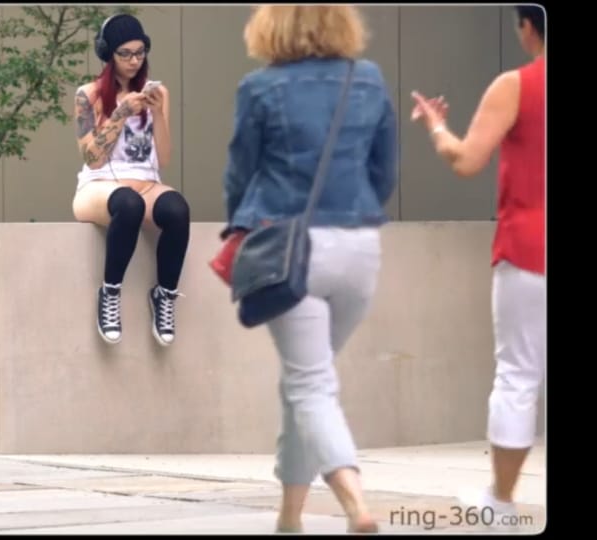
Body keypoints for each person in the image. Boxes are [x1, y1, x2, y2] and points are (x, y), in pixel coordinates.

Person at [223, 5, 397, 533]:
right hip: (360, 246)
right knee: (304, 381)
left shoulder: (259, 87)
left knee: (310, 384)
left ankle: (355, 504)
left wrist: (240, 227)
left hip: (290, 249)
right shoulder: (367, 79)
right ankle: (290, 516)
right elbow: (384, 171)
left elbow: (239, 174)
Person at [409, 5, 545, 525]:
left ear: (528, 28)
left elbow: (467, 159)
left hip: (529, 248)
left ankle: (501, 503)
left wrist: (437, 126)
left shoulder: (516, 86)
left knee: (518, 376)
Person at [72, 13, 191, 347]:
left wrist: (157, 113)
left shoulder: (158, 93)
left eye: (140, 53)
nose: (134, 61)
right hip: (99, 186)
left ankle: (164, 295)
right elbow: (92, 158)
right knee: (129, 203)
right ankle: (110, 292)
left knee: (178, 209)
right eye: (125, 53)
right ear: (108, 54)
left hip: (147, 183)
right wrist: (121, 114)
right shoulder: (88, 95)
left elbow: (163, 159)